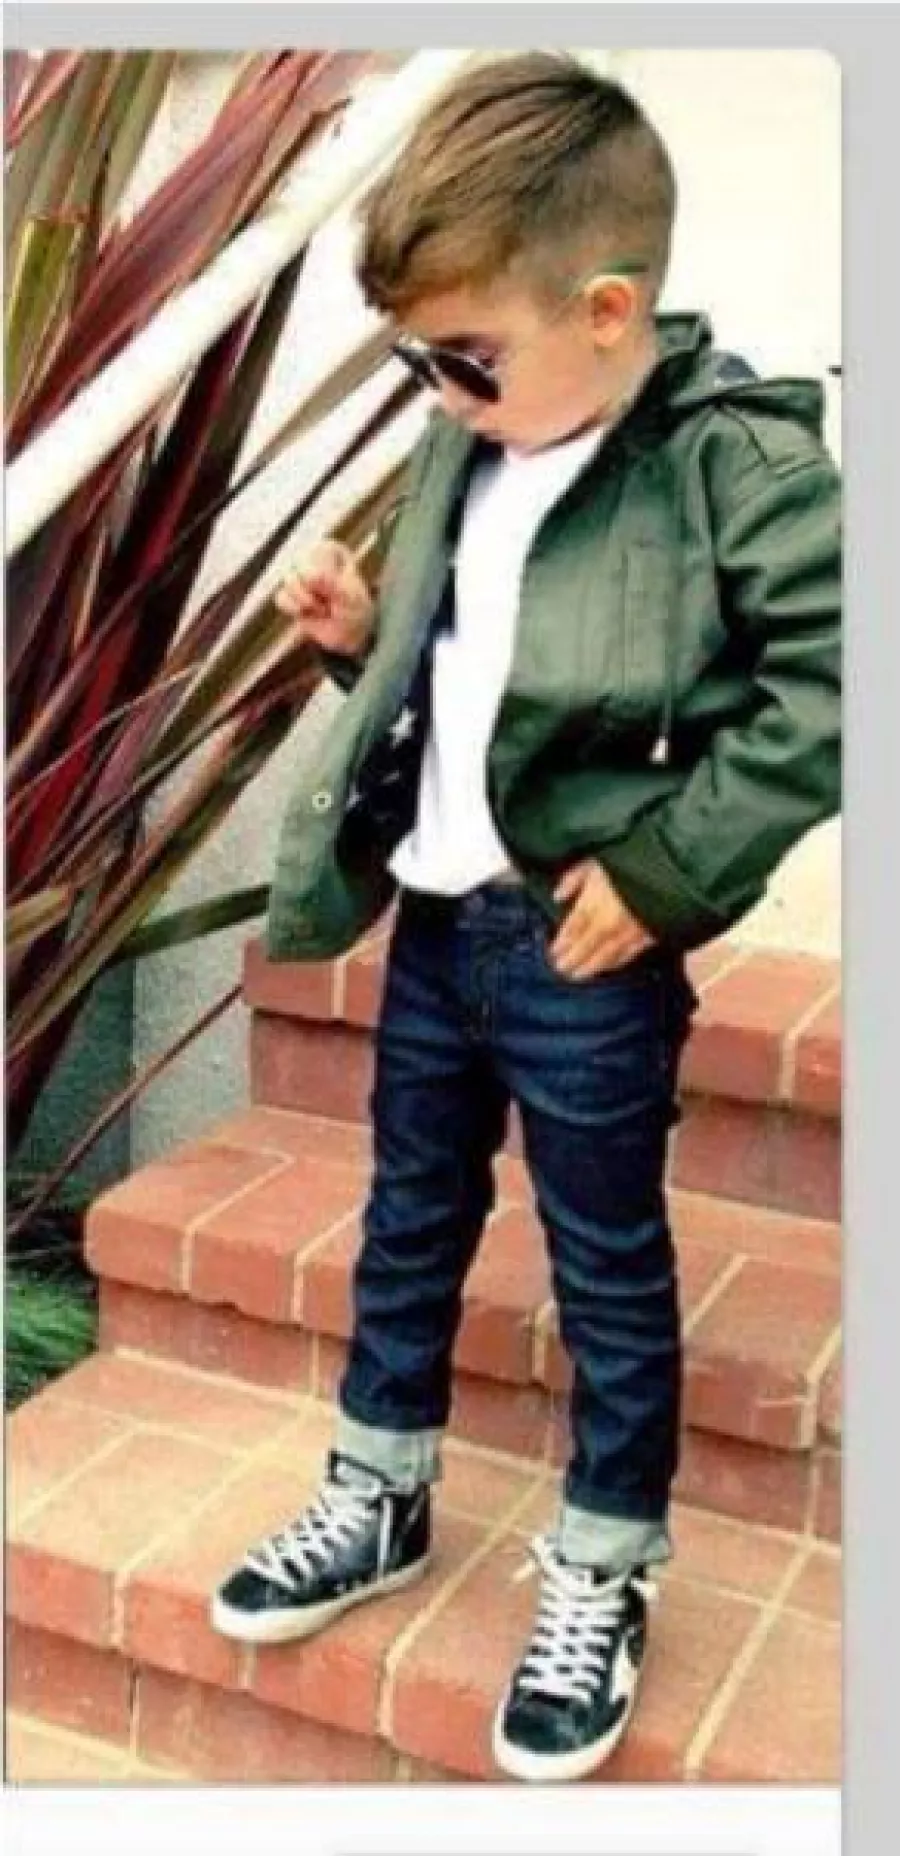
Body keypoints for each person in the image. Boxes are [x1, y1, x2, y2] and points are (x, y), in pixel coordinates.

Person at [210, 52, 841, 1783]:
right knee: (410, 1218)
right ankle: (380, 1491)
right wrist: (357, 640)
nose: (437, 388)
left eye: (464, 356)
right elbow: (468, 668)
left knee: (604, 1258)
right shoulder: (469, 441)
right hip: (438, 920)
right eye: (417, 359)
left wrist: (668, 878)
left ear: (608, 310)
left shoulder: (731, 470)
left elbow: (830, 688)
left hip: (580, 946)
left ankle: (604, 1563)